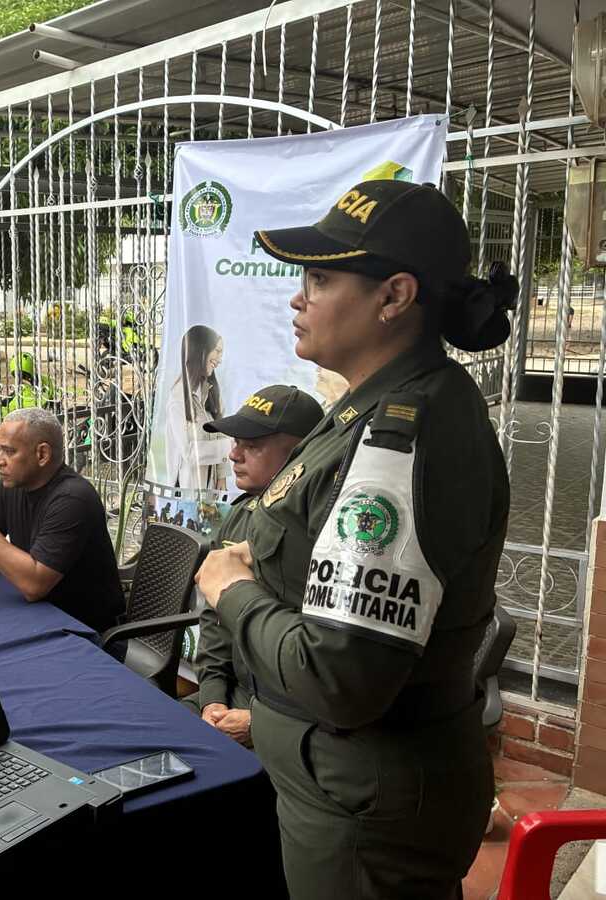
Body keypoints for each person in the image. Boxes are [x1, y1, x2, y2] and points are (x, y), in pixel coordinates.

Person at [195, 179, 515, 899]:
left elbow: (340, 680)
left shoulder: (406, 433)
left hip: (361, 807)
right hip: (339, 788)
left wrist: (233, 589)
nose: (297, 299)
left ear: (394, 296)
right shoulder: (366, 412)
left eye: (319, 278)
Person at [182, 384, 324, 749]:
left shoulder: (321, 536)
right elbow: (215, 620)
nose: (234, 454)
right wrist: (212, 698)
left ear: (300, 454)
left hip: (294, 723)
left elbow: (328, 664)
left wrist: (260, 724)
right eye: (236, 442)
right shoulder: (242, 514)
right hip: (229, 698)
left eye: (252, 445)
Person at [0, 407, 124, 633]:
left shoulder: (73, 499)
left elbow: (34, 586)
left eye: (9, 451)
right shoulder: (12, 486)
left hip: (84, 632)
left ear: (42, 454)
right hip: (37, 615)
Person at [164, 325, 230, 494]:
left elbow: (221, 433)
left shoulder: (211, 391)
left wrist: (222, 476)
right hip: (187, 491)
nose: (219, 359)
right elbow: (189, 452)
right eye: (217, 351)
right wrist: (229, 447)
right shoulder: (178, 398)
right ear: (201, 350)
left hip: (211, 488)